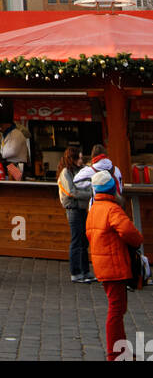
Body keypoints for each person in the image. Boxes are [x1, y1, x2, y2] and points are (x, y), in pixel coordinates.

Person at [86, 170, 144, 360]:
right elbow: (129, 232)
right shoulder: (112, 209)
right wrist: (138, 241)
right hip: (114, 266)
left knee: (118, 308)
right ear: (112, 189)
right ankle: (114, 353)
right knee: (116, 310)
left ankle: (121, 350)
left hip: (103, 264)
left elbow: (89, 235)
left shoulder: (94, 208)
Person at [57, 145, 94, 282]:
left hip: (83, 209)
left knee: (84, 241)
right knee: (77, 240)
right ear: (71, 158)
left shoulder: (80, 170)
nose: (81, 160)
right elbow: (72, 192)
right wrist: (90, 194)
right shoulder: (66, 172)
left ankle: (85, 271)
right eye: (78, 157)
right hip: (73, 209)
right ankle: (76, 272)